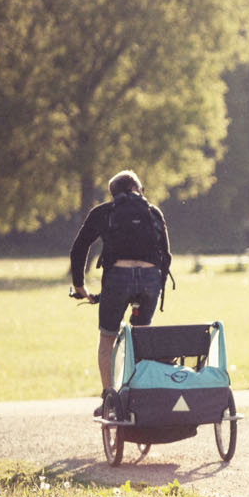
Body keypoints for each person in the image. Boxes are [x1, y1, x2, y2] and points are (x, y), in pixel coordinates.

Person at [69, 170, 172, 415]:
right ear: (139, 189)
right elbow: (166, 254)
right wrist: (157, 285)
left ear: (113, 193)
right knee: (141, 336)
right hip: (150, 278)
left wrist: (79, 285)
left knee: (107, 338)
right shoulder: (153, 212)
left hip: (118, 277)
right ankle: (142, 395)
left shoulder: (104, 212)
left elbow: (79, 247)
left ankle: (110, 399)